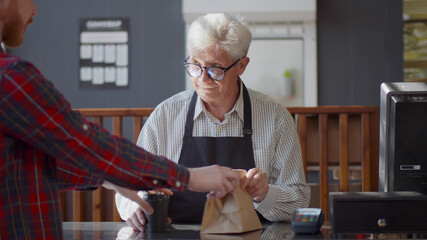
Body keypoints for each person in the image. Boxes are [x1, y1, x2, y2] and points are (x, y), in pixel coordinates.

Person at [0, 1, 241, 239]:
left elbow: (43, 163)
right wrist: (189, 177)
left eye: (215, 69)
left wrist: (108, 178)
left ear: (241, 67)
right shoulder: (10, 78)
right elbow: (86, 144)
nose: (34, 10)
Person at [116, 13, 310, 231]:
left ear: (241, 66)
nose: (202, 78)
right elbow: (126, 185)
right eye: (195, 64)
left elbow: (299, 200)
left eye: (214, 68)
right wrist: (137, 203)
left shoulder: (275, 117)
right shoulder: (165, 115)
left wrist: (264, 193)